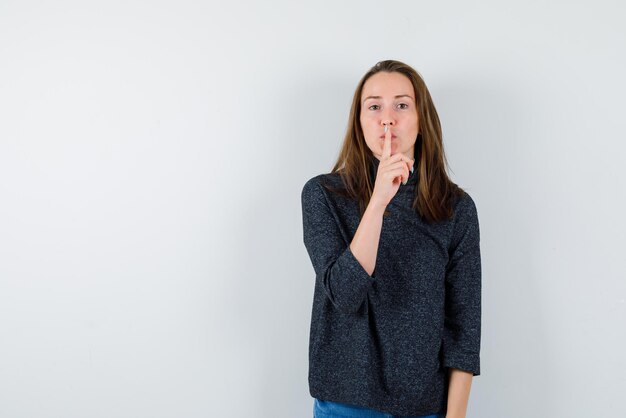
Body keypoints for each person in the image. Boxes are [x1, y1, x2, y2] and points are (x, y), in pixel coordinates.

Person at [300, 60, 481, 418]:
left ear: (421, 118)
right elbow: (346, 292)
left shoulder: (456, 209)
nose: (387, 119)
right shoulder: (322, 195)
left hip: (424, 408)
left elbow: (464, 330)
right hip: (345, 404)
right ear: (359, 121)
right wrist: (380, 198)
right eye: (374, 106)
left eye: (401, 105)